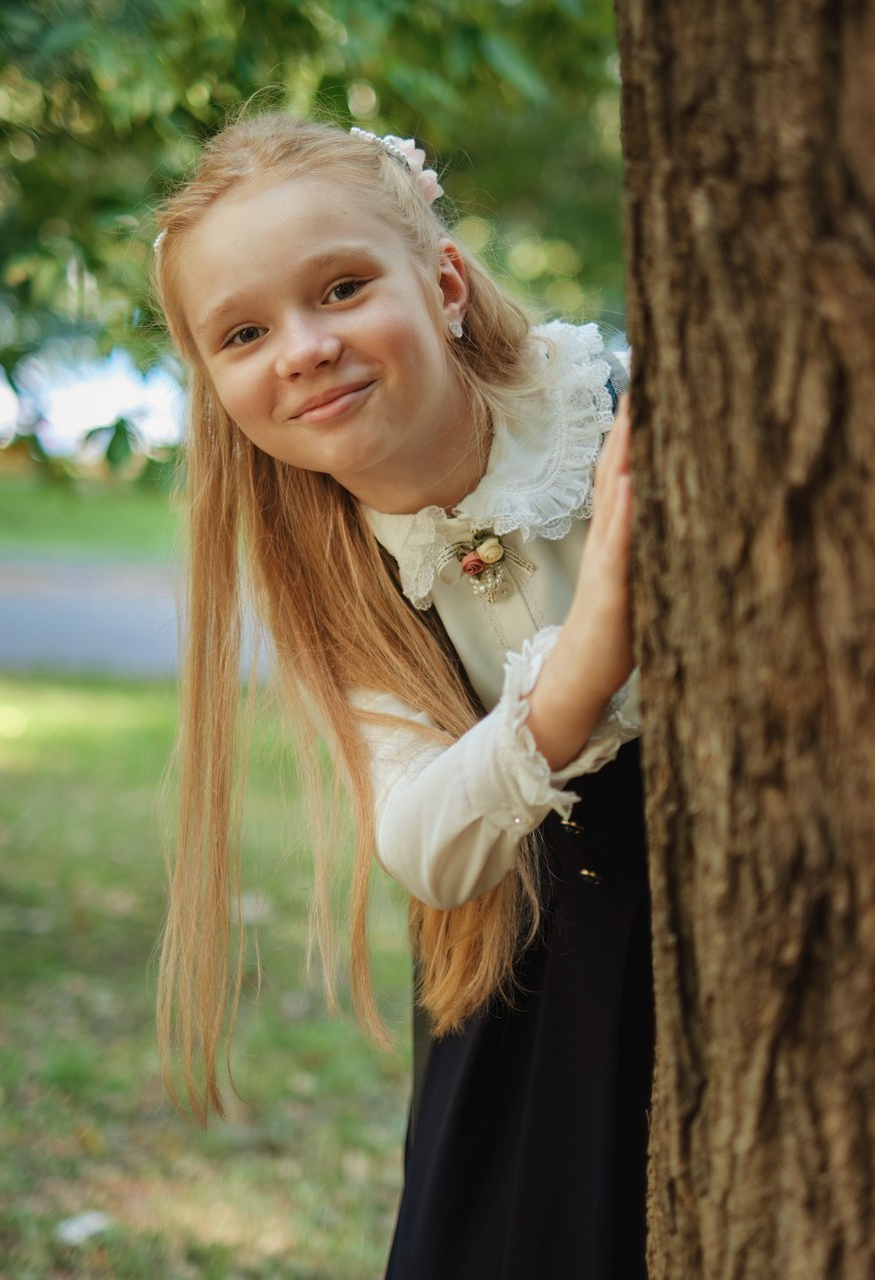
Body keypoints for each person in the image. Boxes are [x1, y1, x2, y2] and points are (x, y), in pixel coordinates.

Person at [152, 114, 651, 1279]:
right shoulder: (344, 580)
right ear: (217, 386)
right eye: (242, 331)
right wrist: (583, 658)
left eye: (339, 287)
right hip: (546, 1002)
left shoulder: (611, 414)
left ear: (441, 284)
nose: (303, 346)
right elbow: (424, 843)